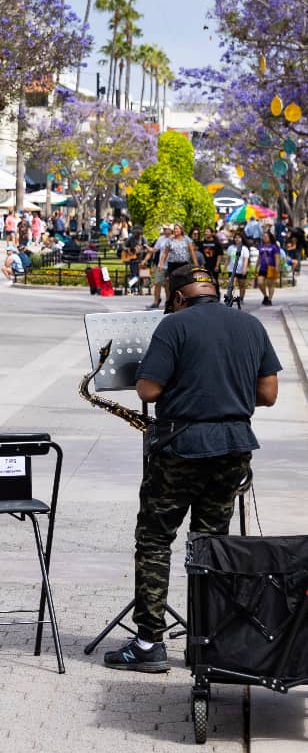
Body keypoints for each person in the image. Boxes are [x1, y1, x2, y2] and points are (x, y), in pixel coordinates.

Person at [103, 263, 279, 673]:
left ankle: (149, 642)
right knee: (212, 543)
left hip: (181, 447)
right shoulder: (250, 326)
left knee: (155, 538)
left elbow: (149, 389)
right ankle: (210, 642)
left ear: (179, 296)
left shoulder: (174, 326)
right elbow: (268, 393)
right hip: (233, 449)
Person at [257, 229, 282, 306]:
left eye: (266, 236)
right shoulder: (261, 246)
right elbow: (259, 257)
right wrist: (256, 266)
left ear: (270, 237)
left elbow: (277, 257)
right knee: (260, 283)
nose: (264, 238)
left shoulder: (274, 247)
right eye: (263, 236)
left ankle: (270, 300)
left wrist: (277, 267)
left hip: (271, 267)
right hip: (262, 268)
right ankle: (265, 296)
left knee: (270, 285)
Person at [225, 231, 250, 305]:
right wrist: (225, 267)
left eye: (239, 238)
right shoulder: (230, 248)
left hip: (241, 270)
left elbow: (246, 260)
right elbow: (228, 258)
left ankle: (241, 298)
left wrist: (244, 269)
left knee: (242, 285)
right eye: (235, 238)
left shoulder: (244, 248)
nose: (237, 239)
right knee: (231, 285)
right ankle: (230, 298)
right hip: (232, 269)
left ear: (242, 239)